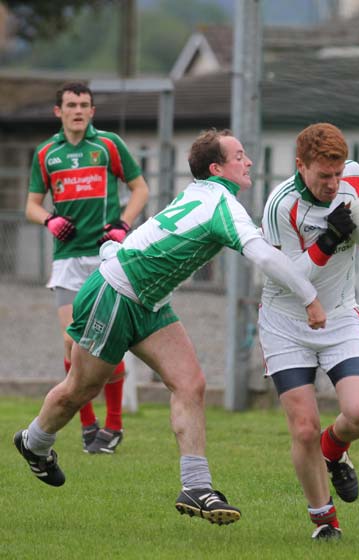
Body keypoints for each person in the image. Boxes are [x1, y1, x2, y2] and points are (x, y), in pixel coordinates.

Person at [14, 128, 328, 526]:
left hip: (148, 300)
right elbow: (263, 257)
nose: (249, 162)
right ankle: (34, 441)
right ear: (217, 168)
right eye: (240, 156)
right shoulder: (220, 205)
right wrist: (309, 298)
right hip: (116, 293)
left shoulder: (207, 195)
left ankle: (196, 487)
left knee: (191, 383)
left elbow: (163, 232)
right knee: (81, 388)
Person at [257, 123, 359, 540]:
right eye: (323, 175)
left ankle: (334, 450)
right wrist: (328, 239)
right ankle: (325, 522)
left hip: (341, 314)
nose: (333, 184)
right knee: (303, 426)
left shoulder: (354, 180)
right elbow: (292, 277)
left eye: (337, 174)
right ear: (300, 166)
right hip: (287, 321)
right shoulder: (281, 206)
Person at [24, 81, 150, 454]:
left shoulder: (108, 145)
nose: (78, 110)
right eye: (71, 105)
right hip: (66, 260)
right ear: (58, 112)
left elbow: (140, 188)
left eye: (84, 105)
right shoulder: (47, 153)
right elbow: (31, 204)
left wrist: (123, 224)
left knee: (109, 344)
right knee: (71, 341)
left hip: (105, 257)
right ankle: (87, 423)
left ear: (92, 111)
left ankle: (113, 426)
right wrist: (48, 220)